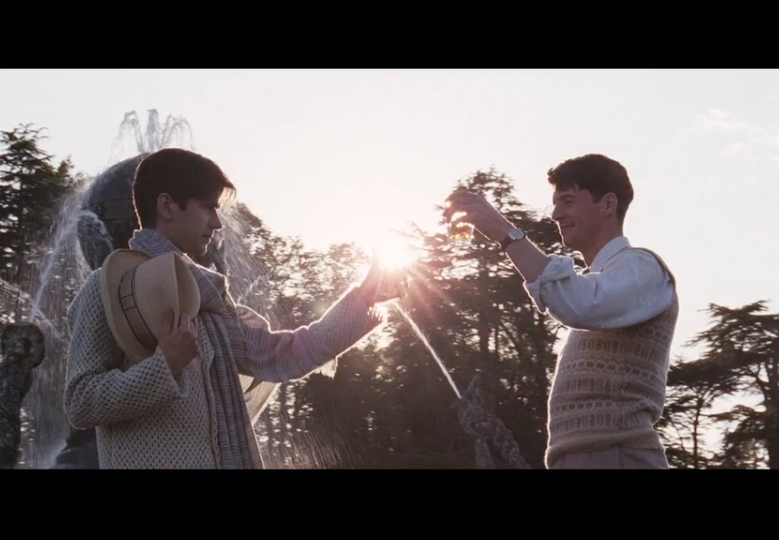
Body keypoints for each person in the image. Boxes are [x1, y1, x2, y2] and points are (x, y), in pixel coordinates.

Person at [63, 147, 392, 469]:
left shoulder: (208, 300)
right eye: (207, 208)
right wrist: (165, 366)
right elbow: (80, 402)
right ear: (167, 206)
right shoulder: (107, 289)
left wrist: (364, 298)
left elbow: (285, 355)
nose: (217, 223)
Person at [444, 153, 678, 469]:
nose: (555, 214)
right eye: (555, 204)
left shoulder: (642, 267)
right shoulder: (598, 280)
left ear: (608, 205)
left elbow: (580, 303)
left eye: (567, 201)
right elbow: (575, 298)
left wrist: (503, 230)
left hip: (618, 457)